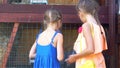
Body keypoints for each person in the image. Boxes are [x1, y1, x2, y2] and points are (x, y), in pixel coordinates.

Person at [65, 0, 108, 68]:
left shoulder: (86, 26)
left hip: (88, 63)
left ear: (81, 12)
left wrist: (74, 57)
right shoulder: (100, 27)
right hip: (98, 62)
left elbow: (90, 49)